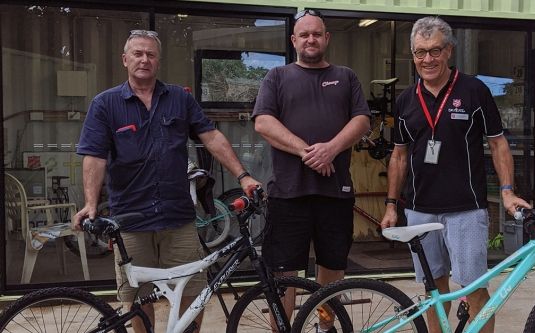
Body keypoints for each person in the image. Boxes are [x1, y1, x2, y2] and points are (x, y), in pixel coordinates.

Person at [72, 29, 260, 333]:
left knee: (194, 292)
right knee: (138, 297)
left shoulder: (179, 99)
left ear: (158, 60)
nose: (144, 59)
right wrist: (91, 204)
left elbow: (211, 137)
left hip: (178, 216)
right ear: (125, 59)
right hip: (131, 217)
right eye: (137, 53)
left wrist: (243, 175)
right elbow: (94, 156)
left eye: (151, 54)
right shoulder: (105, 104)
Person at [380, 17, 531, 333]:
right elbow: (399, 155)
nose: (427, 59)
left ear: (449, 50)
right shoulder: (407, 99)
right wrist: (392, 204)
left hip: (466, 208)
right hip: (420, 209)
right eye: (420, 52)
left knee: (475, 289)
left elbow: (498, 143)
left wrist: (506, 190)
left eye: (435, 50)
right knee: (434, 290)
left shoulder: (474, 90)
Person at [251, 8, 371, 324]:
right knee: (283, 274)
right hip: (288, 194)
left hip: (335, 194)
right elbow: (263, 122)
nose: (311, 39)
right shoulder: (277, 77)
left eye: (317, 33)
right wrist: (310, 153)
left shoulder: (345, 77)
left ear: (327, 38)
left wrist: (331, 149)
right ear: (294, 40)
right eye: (304, 34)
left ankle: (324, 328)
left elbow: (361, 120)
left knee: (332, 269)